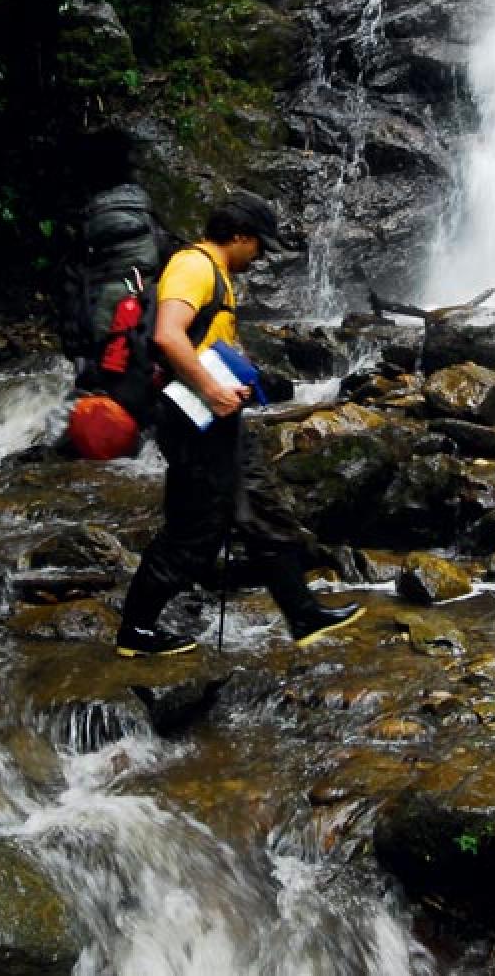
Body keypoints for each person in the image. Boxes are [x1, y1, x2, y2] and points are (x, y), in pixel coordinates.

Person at [115, 191, 363, 657]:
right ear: (240, 236)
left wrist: (238, 380)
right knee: (195, 528)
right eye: (259, 245)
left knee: (261, 509)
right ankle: (136, 630)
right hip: (193, 418)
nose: (262, 255)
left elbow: (205, 340)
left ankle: (303, 613)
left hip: (218, 415)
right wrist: (211, 389)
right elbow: (169, 335)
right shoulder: (193, 267)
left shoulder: (218, 274)